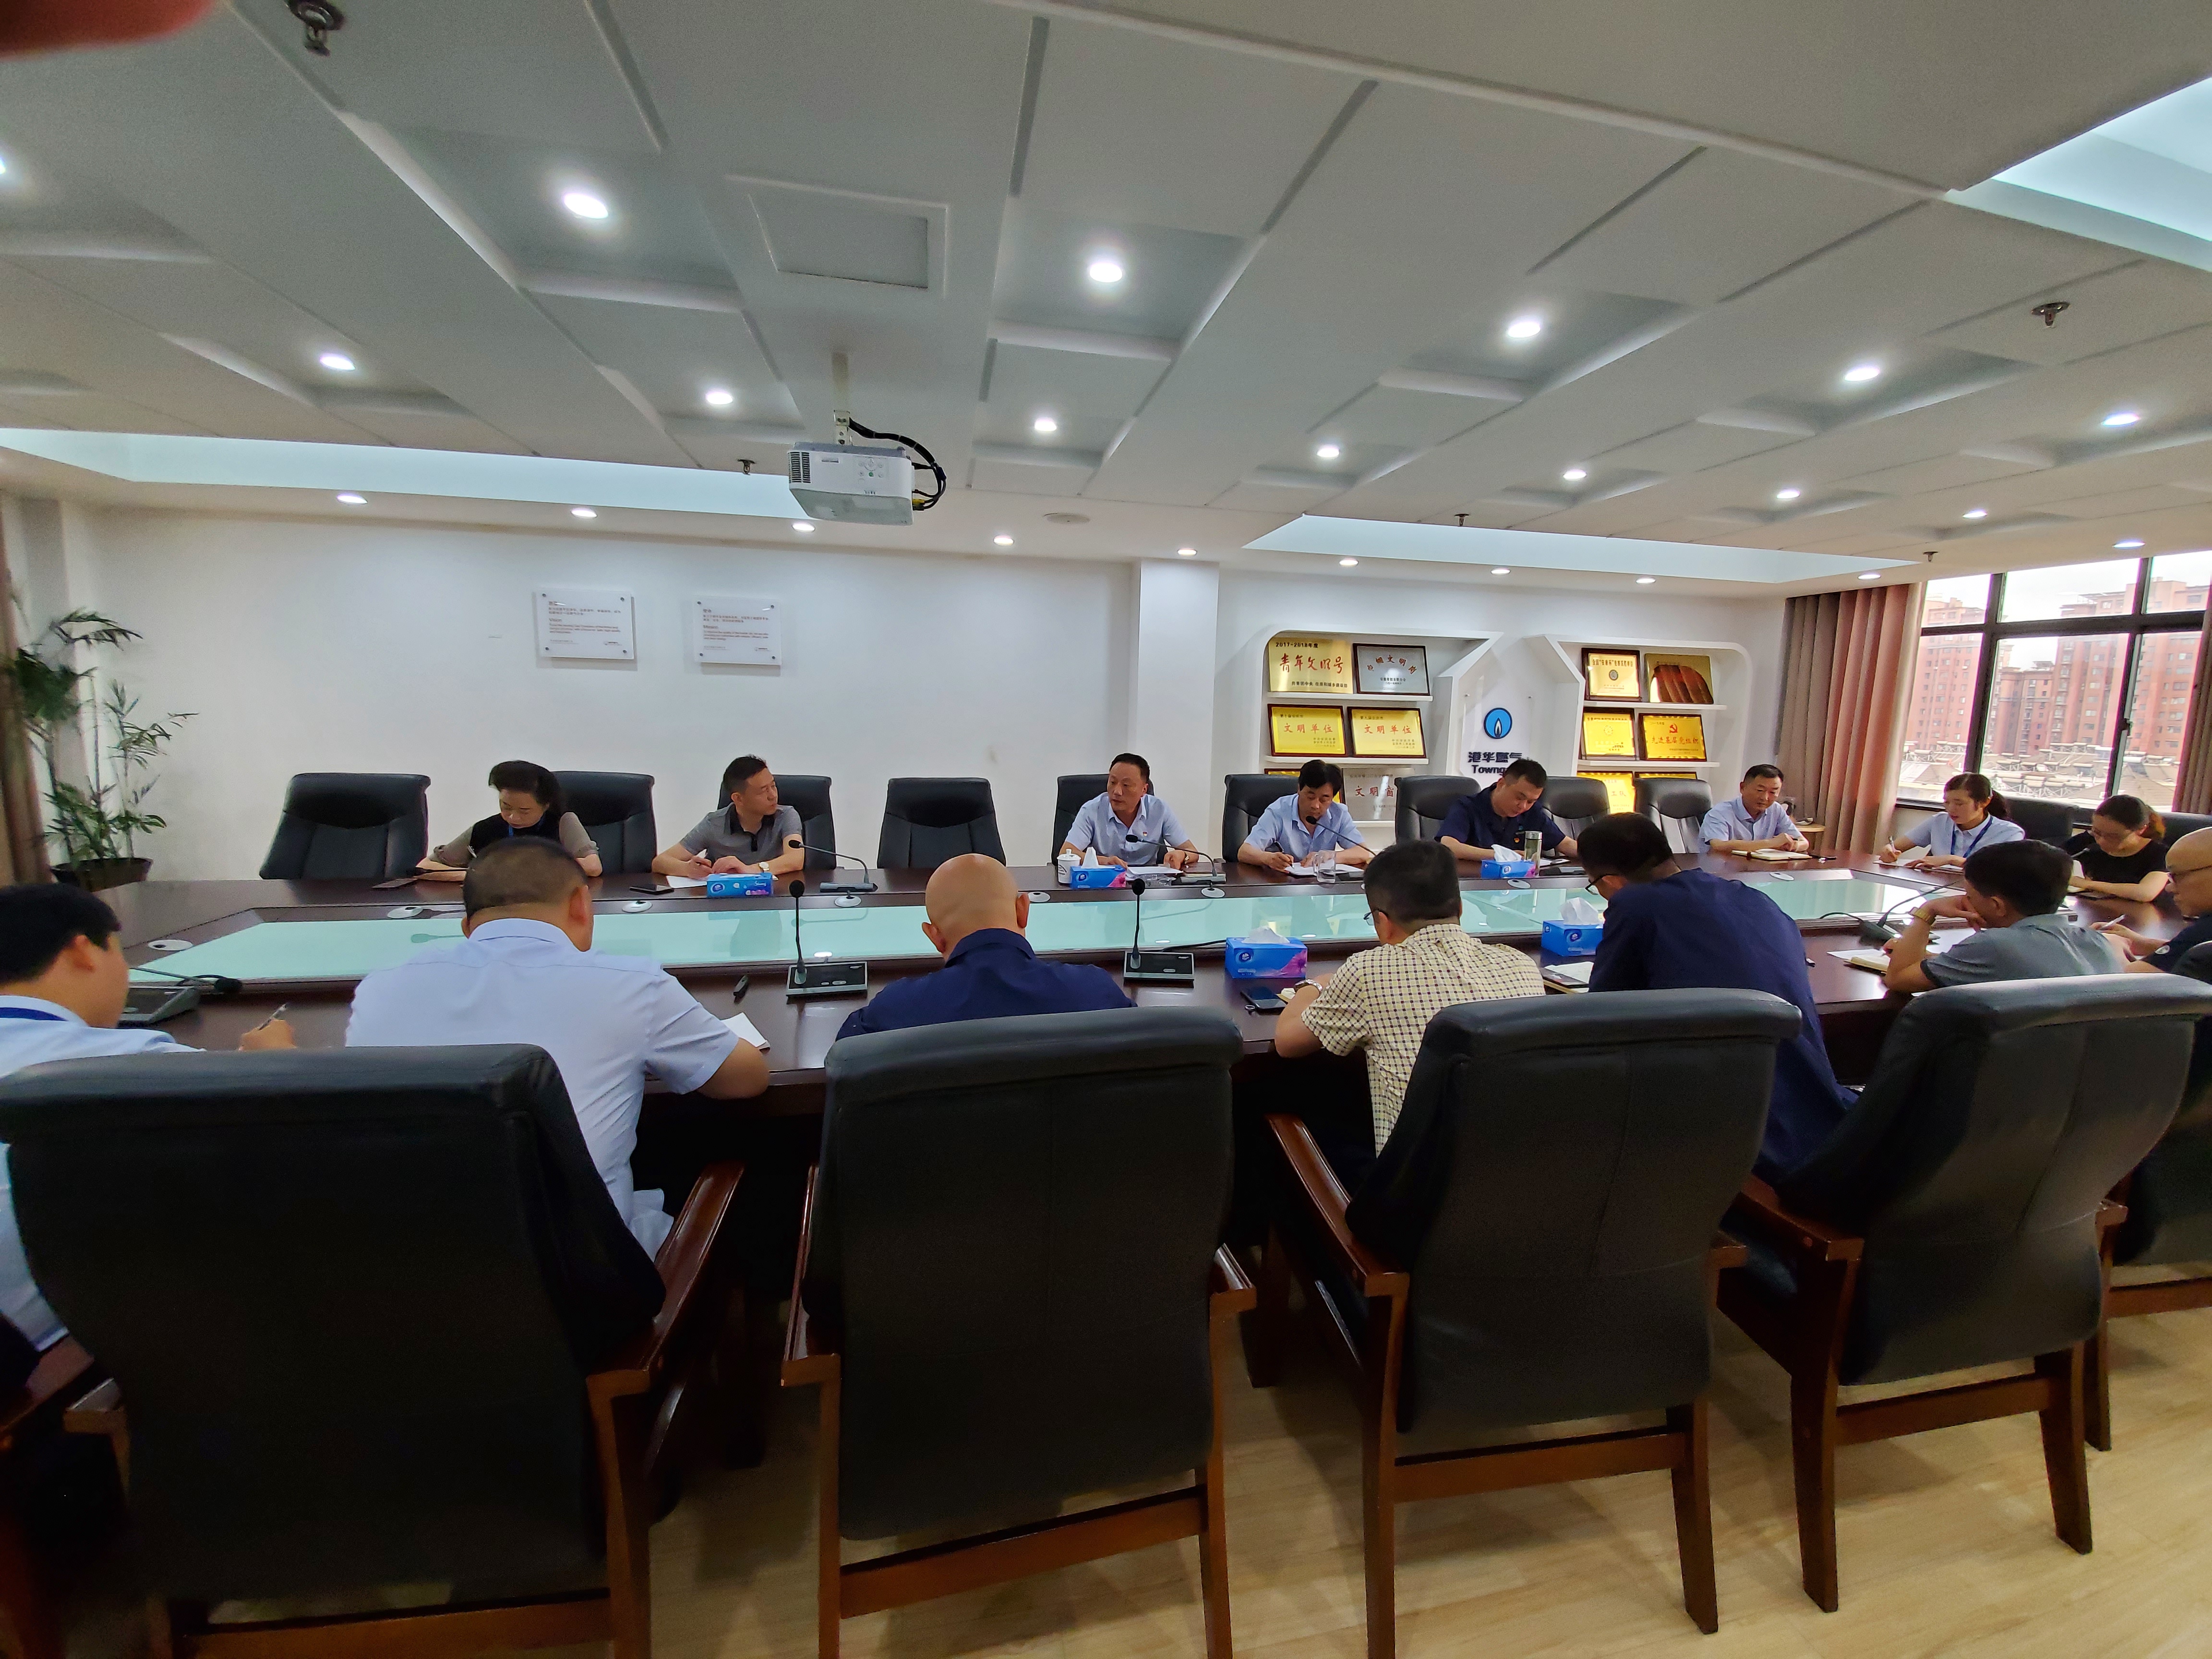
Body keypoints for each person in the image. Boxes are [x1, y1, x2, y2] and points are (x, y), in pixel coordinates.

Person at [346, 839, 768, 1251]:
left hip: (405, 1269)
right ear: (582, 905)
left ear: (467, 927)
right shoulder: (631, 985)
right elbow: (746, 1080)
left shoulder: (380, 990)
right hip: (581, 1278)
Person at [0, 884, 293, 1351]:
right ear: (83, 952)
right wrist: (275, 1065)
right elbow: (289, 1136)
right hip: (33, 1360)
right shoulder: (134, 1063)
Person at [1577, 813, 1849, 1178]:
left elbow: (1601, 1013)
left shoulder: (1634, 904)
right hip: (1819, 1114)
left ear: (1610, 881)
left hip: (1741, 1132)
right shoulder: (1752, 897)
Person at [1274, 839, 1541, 1151]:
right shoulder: (1522, 966)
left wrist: (1316, 985)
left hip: (1418, 1177)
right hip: (1518, 1166)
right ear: (1460, 908)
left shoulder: (1368, 971)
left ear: (1382, 922)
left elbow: (1287, 1043)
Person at [835, 854, 1131, 1038]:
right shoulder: (1096, 992)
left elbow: (845, 1061)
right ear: (1023, 910)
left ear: (935, 937)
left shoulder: (895, 1010)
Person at [1882, 839, 2124, 993]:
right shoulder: (2098, 943)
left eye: (1970, 896)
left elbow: (1898, 979)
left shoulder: (1992, 946)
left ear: (1997, 906)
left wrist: (1929, 911)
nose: (1966, 901)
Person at [419, 760, 601, 881]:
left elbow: (593, 867)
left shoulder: (562, 822)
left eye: (524, 811)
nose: (513, 817)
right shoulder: (485, 828)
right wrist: (476, 876)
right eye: (506, 807)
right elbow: (425, 868)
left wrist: (525, 868)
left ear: (546, 805)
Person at [653, 755, 805, 878]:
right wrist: (688, 869)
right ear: (738, 799)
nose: (773, 796)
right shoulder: (714, 824)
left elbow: (796, 859)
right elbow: (660, 862)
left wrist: (749, 869)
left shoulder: (786, 816)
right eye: (763, 791)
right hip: (726, 901)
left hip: (775, 897)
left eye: (773, 786)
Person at [2097, 827, 2212, 973]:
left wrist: (2111, 947)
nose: (2169, 888)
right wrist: (2141, 943)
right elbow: (2192, 952)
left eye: (2177, 876)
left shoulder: (2206, 928)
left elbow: (2130, 980)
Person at [1060, 753, 1203, 871]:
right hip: (1106, 885)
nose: (1117, 791)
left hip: (1148, 886)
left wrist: (1181, 855)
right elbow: (1067, 852)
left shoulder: (1159, 810)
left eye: (1126, 785)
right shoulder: (1092, 810)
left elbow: (1192, 851)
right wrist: (1103, 861)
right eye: (1113, 782)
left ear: (1144, 790)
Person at [1436, 758, 1579, 864]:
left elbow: (1565, 844)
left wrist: (1591, 856)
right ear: (1501, 784)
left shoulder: (1532, 813)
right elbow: (1450, 846)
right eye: (1519, 797)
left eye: (1531, 802)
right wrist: (1503, 856)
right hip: (1476, 885)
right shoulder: (1467, 807)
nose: (1523, 806)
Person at [1239, 760, 1373, 872]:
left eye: (1324, 799)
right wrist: (1268, 858)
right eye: (1310, 797)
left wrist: (1329, 857)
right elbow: (1245, 852)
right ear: (1299, 789)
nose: (1316, 805)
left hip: (1323, 886)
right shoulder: (1279, 811)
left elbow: (1362, 852)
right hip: (1285, 885)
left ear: (1333, 797)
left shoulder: (1339, 813)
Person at [1879, 772, 2024, 869]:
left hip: (1979, 896)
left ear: (1984, 802)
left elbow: (2000, 873)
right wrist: (1888, 851)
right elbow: (1895, 847)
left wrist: (1951, 860)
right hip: (1936, 888)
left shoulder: (2009, 833)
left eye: (1959, 804)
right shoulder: (1939, 821)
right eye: (1947, 802)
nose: (1951, 809)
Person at [2062, 794, 2170, 902]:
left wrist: (2087, 884)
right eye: (2097, 832)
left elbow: (2146, 893)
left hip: (2133, 912)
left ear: (2141, 829)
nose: (2101, 841)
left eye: (2113, 836)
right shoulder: (2085, 843)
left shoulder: (2158, 854)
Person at [1700, 764, 1810, 855]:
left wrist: (1793, 845)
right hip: (1723, 870)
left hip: (1760, 871)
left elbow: (1804, 843)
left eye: (1773, 792)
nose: (1765, 798)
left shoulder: (1776, 810)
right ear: (1743, 788)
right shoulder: (1720, 813)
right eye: (1760, 790)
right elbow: (1718, 846)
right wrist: (1772, 843)